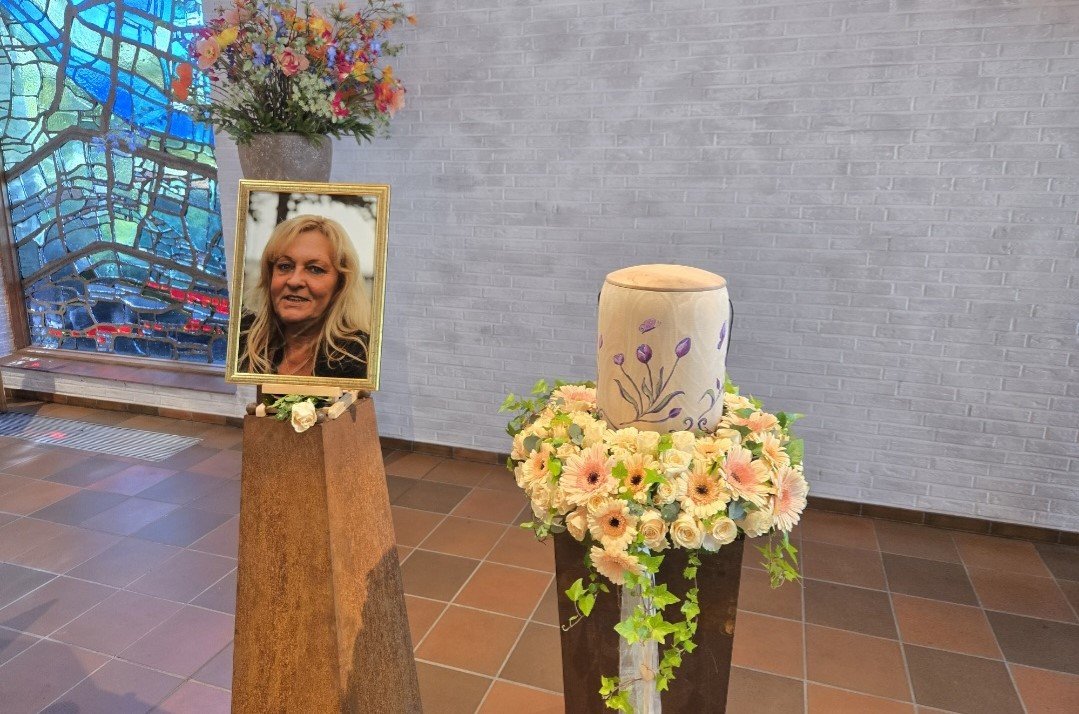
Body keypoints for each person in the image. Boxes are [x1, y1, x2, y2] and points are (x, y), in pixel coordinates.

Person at [238, 214, 370, 379]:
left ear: (340, 284)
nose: (294, 281)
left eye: (315, 269)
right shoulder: (237, 339)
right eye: (285, 266)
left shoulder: (363, 361)